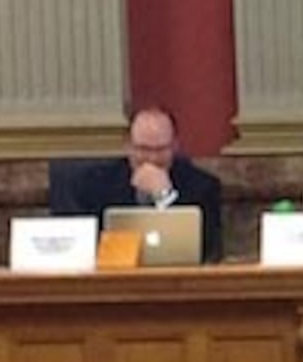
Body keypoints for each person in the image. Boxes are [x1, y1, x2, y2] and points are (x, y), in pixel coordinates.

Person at [74, 107, 223, 263]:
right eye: (144, 149)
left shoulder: (202, 187)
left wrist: (165, 196)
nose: (152, 159)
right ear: (128, 146)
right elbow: (86, 248)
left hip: (176, 277)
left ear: (175, 146)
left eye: (161, 149)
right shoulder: (96, 185)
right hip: (116, 279)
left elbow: (208, 250)